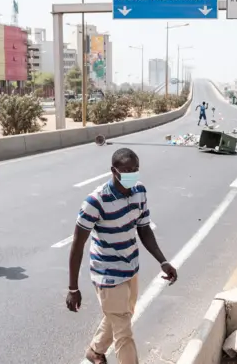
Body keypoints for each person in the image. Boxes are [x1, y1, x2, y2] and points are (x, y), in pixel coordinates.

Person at [66, 148, 178, 364]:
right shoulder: (95, 201)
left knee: (121, 316)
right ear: (113, 171)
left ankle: (95, 351)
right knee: (124, 332)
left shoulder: (139, 192)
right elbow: (78, 244)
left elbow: (144, 229)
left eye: (135, 169)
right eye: (126, 170)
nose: (132, 174)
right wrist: (73, 288)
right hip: (107, 274)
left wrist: (163, 261)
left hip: (130, 268)